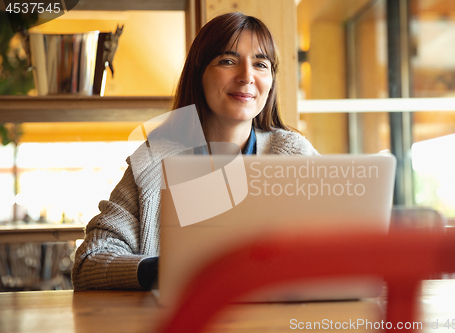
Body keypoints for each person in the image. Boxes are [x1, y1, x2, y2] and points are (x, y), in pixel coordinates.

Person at [71, 12, 319, 290]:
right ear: (198, 73)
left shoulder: (295, 155)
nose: (247, 76)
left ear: (271, 81)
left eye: (261, 64)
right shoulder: (154, 162)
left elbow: (336, 242)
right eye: (228, 61)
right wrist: (170, 270)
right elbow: (89, 261)